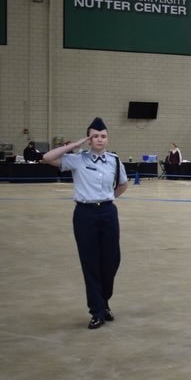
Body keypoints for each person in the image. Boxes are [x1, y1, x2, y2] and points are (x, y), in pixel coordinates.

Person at [42, 117, 128, 329]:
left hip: (108, 212)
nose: (100, 139)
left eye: (103, 136)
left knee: (111, 260)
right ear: (89, 139)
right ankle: (98, 310)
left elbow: (123, 185)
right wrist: (75, 144)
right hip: (85, 214)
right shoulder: (77, 159)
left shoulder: (115, 161)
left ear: (108, 139)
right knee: (90, 262)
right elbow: (47, 157)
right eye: (95, 136)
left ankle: (104, 300)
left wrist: (108, 198)